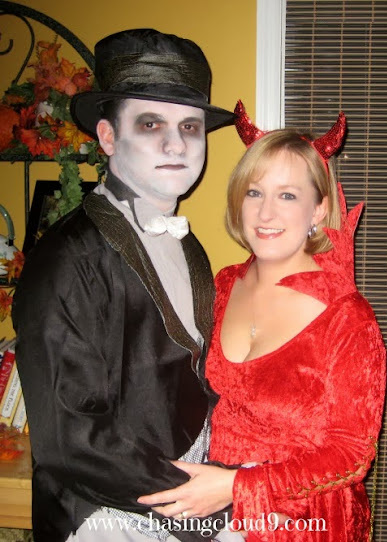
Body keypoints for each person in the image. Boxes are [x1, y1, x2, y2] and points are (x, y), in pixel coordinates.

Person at [12, 29, 235, 542]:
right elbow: (71, 439)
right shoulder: (66, 259)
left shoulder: (190, 247)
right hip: (104, 516)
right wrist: (202, 509)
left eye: (190, 127)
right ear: (108, 137)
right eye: (151, 123)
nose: (176, 144)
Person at [137, 102, 387, 541]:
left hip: (303, 523)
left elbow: (351, 455)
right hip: (213, 516)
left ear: (318, 210)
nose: (265, 213)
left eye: (287, 195)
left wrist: (238, 487)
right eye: (254, 193)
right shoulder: (221, 284)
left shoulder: (348, 318)